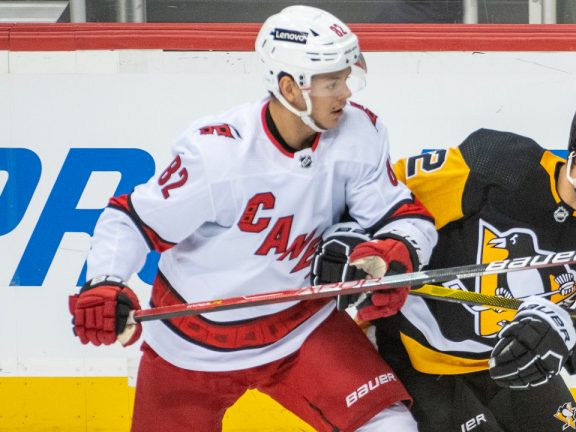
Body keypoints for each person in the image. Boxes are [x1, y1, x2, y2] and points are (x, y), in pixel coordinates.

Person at [67, 5, 437, 432]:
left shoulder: (360, 133)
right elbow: (130, 218)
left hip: (301, 328)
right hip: (191, 344)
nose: (346, 93)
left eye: (346, 78)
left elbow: (405, 218)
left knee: (390, 427)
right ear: (290, 88)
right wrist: (104, 281)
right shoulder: (218, 154)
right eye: (332, 82)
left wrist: (395, 253)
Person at [317, 87, 576, 431]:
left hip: (507, 363)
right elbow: (389, 200)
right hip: (413, 357)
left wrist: (566, 334)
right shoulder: (499, 164)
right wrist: (349, 239)